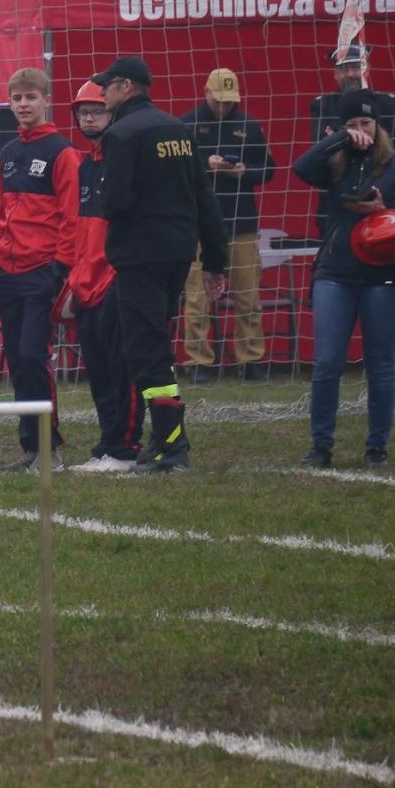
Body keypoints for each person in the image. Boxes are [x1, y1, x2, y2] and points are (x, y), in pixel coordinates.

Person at [94, 56, 229, 474]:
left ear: (127, 87)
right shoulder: (178, 129)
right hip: (178, 253)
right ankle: (164, 438)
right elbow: (204, 197)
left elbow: (114, 202)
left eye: (108, 86)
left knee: (147, 349)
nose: (102, 94)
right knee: (152, 343)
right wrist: (215, 260)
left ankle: (171, 444)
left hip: (139, 256)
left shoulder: (120, 134)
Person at [293, 90, 395, 469]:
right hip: (336, 272)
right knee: (327, 361)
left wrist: (384, 209)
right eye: (352, 124)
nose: (360, 131)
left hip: (386, 274)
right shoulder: (334, 162)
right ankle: (320, 446)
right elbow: (300, 167)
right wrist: (338, 139)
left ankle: (377, 447)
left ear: (379, 127)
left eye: (365, 124)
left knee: (379, 363)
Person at [0, 68, 80, 471]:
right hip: (7, 271)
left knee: (32, 355)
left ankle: (50, 448)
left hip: (43, 270)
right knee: (16, 359)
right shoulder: (8, 153)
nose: (23, 105)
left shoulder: (62, 152)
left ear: (47, 100)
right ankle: (32, 448)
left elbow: (71, 216)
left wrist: (59, 267)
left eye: (30, 97)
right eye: (16, 99)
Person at [63, 81, 144, 472]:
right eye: (83, 112)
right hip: (86, 282)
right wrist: (76, 277)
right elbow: (79, 229)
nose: (89, 117)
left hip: (116, 278)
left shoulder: (126, 158)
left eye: (96, 110)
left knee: (122, 365)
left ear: (113, 111)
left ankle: (125, 447)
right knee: (97, 368)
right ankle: (108, 444)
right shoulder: (84, 165)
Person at [179, 68, 276, 383]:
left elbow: (269, 170)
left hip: (241, 222)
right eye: (218, 101)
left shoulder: (248, 124)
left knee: (248, 295)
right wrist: (206, 166)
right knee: (197, 296)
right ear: (206, 92)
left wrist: (243, 172)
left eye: (229, 102)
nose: (224, 107)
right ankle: (199, 362)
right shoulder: (186, 124)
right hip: (198, 225)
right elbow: (175, 172)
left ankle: (250, 360)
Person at [310, 41, 395, 238]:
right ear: (335, 74)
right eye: (345, 69)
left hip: (383, 195)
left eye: (356, 67)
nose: (352, 74)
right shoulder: (323, 105)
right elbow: (320, 151)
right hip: (339, 197)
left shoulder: (387, 103)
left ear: (367, 69)